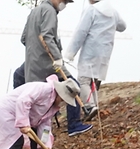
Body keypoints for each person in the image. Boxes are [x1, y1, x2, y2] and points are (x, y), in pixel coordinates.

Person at [21, 0, 93, 137]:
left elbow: (24, 38)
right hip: (49, 64)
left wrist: (35, 50)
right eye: (63, 1)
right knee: (73, 86)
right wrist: (57, 57)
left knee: (41, 109)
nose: (64, 4)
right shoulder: (49, 11)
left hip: (33, 66)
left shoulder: (34, 11)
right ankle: (74, 124)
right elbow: (48, 36)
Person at [65, 0, 126, 111]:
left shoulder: (91, 10)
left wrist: (71, 52)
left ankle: (90, 107)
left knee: (84, 80)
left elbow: (81, 32)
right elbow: (122, 26)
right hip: (105, 52)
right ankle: (95, 106)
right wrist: (109, 24)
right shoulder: (113, 12)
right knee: (94, 80)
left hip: (91, 51)